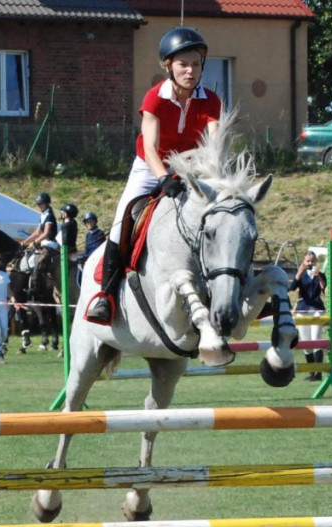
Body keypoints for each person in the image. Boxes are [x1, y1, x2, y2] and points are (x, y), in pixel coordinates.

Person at [85, 27, 221, 325]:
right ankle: (105, 297)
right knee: (122, 219)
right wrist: (162, 177)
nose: (190, 70)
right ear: (168, 66)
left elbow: (214, 143)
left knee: (223, 215)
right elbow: (150, 146)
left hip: (190, 167)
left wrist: (217, 175)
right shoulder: (154, 98)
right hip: (150, 167)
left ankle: (231, 286)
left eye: (196, 64)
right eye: (183, 64)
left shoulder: (211, 99)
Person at [289, 247, 326, 381]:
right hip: (303, 308)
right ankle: (311, 371)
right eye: (308, 261)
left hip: (316, 308)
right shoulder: (301, 274)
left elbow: (324, 288)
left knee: (316, 339)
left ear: (316, 261)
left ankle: (319, 372)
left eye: (312, 261)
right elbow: (292, 288)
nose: (310, 264)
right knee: (305, 342)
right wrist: (299, 274)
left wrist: (320, 276)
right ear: (304, 261)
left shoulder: (320, 273)